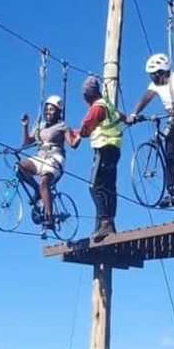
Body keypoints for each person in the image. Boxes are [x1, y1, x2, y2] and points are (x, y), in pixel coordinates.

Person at [126, 52, 174, 208]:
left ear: (161, 73)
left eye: (153, 75)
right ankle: (172, 194)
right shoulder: (155, 86)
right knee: (170, 155)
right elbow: (146, 98)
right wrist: (134, 114)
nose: (152, 79)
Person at [67, 76, 124, 242]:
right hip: (114, 149)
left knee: (95, 187)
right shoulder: (109, 105)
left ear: (87, 96)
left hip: (103, 148)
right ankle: (109, 223)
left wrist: (75, 132)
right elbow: (121, 116)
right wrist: (129, 118)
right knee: (109, 187)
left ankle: (104, 222)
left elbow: (86, 129)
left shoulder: (97, 108)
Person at [18, 95, 68, 230]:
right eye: (47, 109)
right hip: (41, 157)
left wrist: (76, 136)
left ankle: (49, 217)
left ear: (58, 112)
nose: (48, 112)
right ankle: (37, 190)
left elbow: (72, 142)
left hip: (55, 158)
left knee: (44, 182)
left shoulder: (62, 126)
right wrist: (25, 126)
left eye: (52, 110)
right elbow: (27, 142)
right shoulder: (40, 126)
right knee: (20, 167)